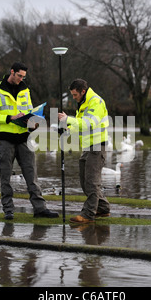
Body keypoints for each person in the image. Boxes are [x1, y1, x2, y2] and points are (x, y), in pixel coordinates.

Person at [0, 62, 59, 220]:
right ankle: (8, 210)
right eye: (19, 75)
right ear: (11, 72)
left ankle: (40, 209)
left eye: (23, 76)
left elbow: (30, 111)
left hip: (24, 138)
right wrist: (10, 117)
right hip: (6, 139)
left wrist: (33, 122)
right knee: (5, 176)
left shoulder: (25, 90)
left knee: (32, 175)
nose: (21, 79)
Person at [58, 79, 110, 223]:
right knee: (84, 179)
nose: (73, 98)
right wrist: (67, 128)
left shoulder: (95, 102)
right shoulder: (83, 103)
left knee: (92, 182)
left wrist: (69, 118)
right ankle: (103, 207)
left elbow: (89, 123)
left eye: (75, 95)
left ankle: (88, 214)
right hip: (88, 146)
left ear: (83, 91)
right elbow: (80, 126)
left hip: (97, 146)